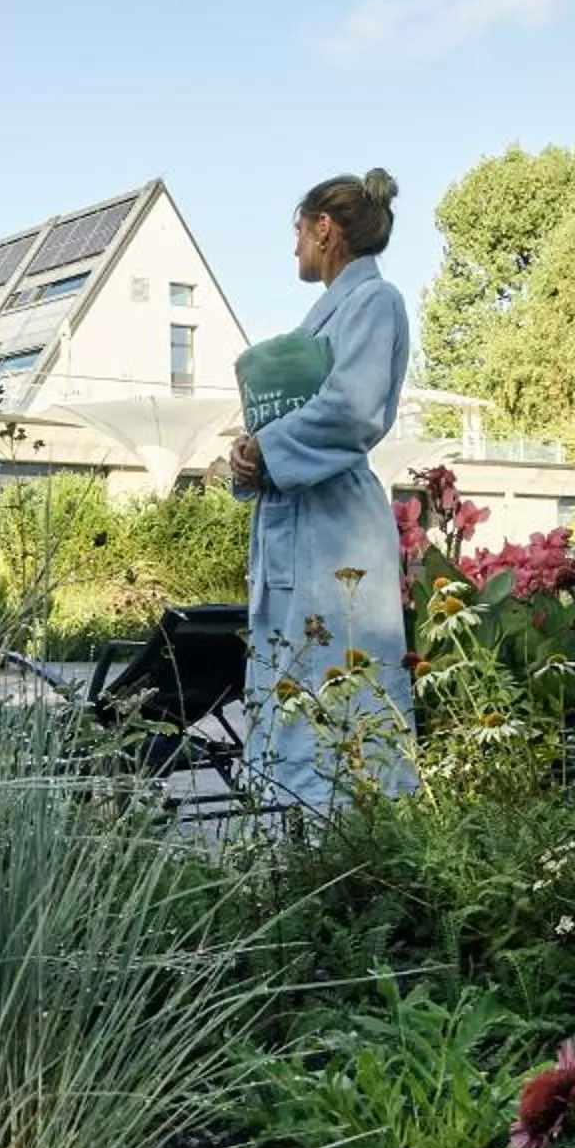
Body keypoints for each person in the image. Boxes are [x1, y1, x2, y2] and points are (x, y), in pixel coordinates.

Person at [229, 169, 416, 812]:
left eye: (298, 233)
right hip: (297, 523)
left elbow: (353, 409)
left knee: (344, 682)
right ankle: (290, 844)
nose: (294, 250)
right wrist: (249, 455)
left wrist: (269, 448)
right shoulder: (327, 314)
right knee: (290, 682)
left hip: (339, 529)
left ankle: (354, 845)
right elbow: (292, 415)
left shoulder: (376, 302)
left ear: (323, 229)